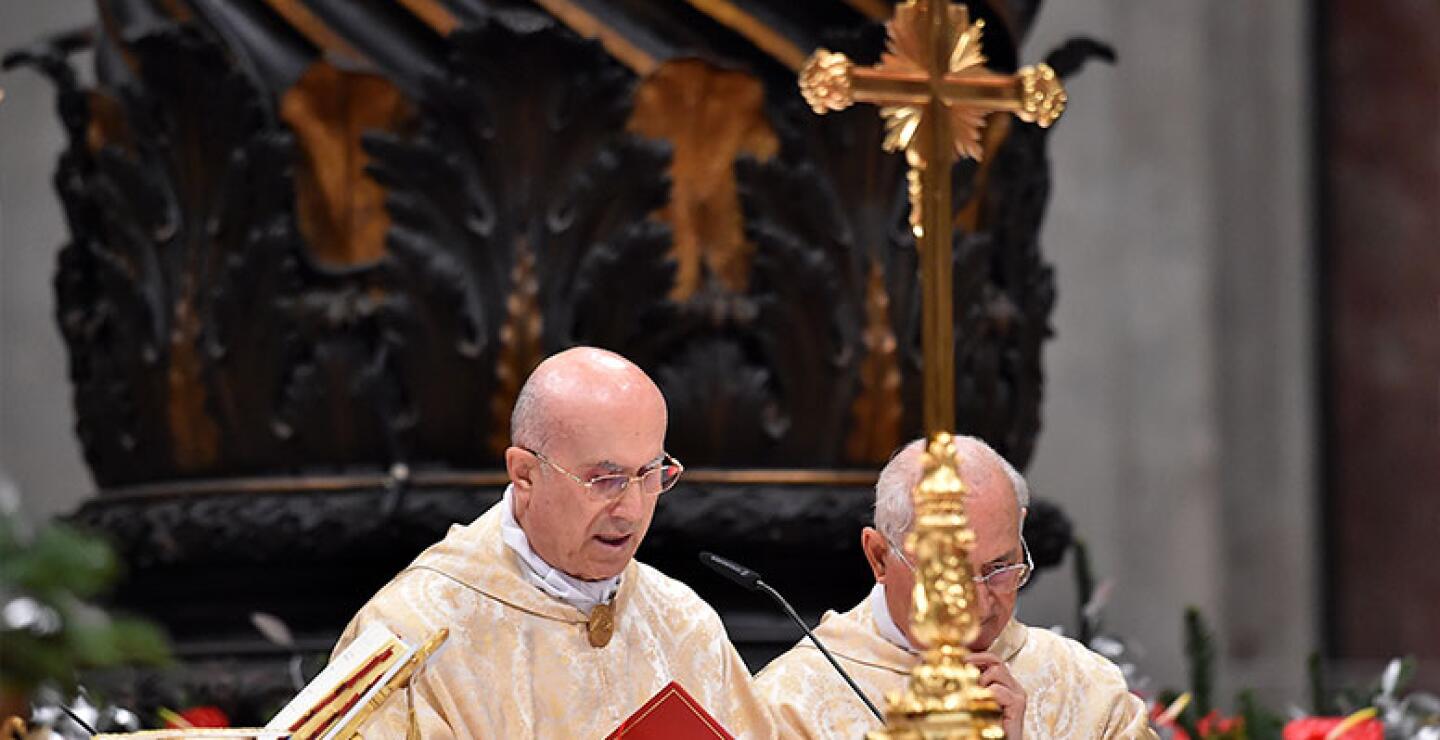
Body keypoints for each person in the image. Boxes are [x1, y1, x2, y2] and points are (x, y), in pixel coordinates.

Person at [331, 347, 774, 738]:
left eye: (650, 474)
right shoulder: (410, 635)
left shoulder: (684, 624)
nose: (633, 511)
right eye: (606, 479)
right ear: (524, 473)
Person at [754, 437, 1156, 739]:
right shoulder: (788, 707)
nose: (978, 607)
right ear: (879, 556)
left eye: (1000, 568)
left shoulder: (1087, 691)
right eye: (949, 574)